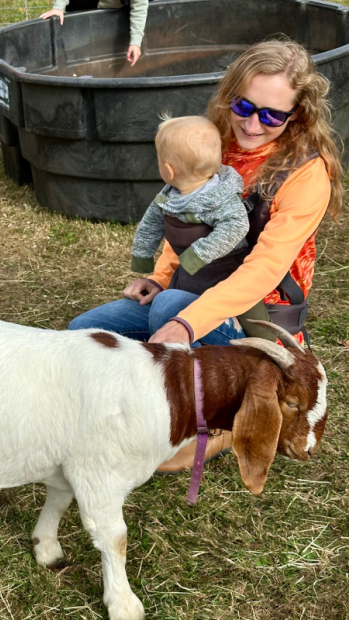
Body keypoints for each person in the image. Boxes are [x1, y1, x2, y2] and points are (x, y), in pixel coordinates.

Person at [69, 39, 343, 471]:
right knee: (83, 331)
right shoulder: (218, 141)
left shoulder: (307, 174)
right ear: (229, 96)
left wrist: (186, 321)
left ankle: (221, 422)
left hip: (257, 319)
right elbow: (184, 220)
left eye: (272, 114)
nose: (253, 124)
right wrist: (160, 276)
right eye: (244, 106)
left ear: (298, 115)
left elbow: (265, 269)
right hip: (190, 293)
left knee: (171, 309)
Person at [132, 115, 270, 338]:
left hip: (225, 275)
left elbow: (236, 227)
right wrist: (142, 255)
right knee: (173, 301)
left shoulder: (220, 198)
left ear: (168, 170)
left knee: (252, 317)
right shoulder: (170, 197)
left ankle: (268, 346)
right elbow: (150, 224)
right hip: (188, 274)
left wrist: (198, 255)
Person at [41, 0, 148, 67]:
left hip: (115, 18)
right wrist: (58, 7)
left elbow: (139, 7)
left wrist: (135, 42)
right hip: (82, 12)